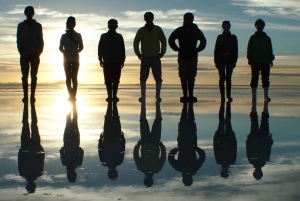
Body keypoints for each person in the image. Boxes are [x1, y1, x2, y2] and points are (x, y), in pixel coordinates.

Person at [168, 12, 206, 102]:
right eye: (187, 18)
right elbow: (171, 39)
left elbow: (203, 41)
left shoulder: (196, 30)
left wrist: (197, 49)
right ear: (184, 19)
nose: (188, 20)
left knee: (191, 76)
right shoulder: (180, 30)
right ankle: (185, 95)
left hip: (192, 56)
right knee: (183, 76)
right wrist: (176, 48)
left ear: (192, 20)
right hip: (182, 56)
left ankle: (191, 95)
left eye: (190, 18)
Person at [168, 101, 206, 186]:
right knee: (191, 121)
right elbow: (202, 157)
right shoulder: (194, 168)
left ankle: (185, 105)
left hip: (182, 141)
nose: (187, 178)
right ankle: (190, 105)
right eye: (188, 179)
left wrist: (176, 149)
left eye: (186, 179)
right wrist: (196, 148)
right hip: (192, 141)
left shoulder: (179, 168)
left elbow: (171, 158)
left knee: (183, 122)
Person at [133, 12, 166, 103]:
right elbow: (136, 42)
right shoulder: (141, 30)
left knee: (158, 77)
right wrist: (138, 53)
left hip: (156, 57)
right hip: (145, 57)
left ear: (153, 18)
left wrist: (162, 52)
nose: (148, 18)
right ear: (145, 19)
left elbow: (163, 40)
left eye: (150, 17)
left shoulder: (158, 29)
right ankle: (143, 95)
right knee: (143, 77)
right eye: (146, 17)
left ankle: (158, 96)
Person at [133, 102, 166, 187]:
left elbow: (136, 156)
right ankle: (157, 104)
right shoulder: (157, 169)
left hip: (146, 142)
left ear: (145, 179)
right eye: (149, 180)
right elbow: (163, 158)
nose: (148, 178)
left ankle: (143, 105)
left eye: (147, 180)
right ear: (151, 179)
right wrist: (162, 147)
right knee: (158, 121)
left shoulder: (142, 168)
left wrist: (138, 145)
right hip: (155, 142)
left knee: (143, 121)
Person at [17, 6, 44, 103]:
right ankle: (25, 96)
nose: (29, 13)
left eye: (31, 12)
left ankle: (32, 96)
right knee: (24, 76)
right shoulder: (21, 26)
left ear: (33, 13)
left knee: (34, 76)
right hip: (24, 54)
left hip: (35, 54)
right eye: (27, 12)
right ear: (25, 13)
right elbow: (18, 40)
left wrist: (39, 52)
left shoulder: (38, 26)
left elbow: (41, 40)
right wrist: (21, 51)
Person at [18, 102, 45, 193]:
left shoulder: (23, 173)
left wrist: (21, 150)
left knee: (26, 124)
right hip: (35, 146)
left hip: (26, 146)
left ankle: (27, 105)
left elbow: (20, 160)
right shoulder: (38, 173)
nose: (30, 183)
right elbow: (41, 160)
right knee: (33, 125)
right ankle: (31, 105)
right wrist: (40, 149)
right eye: (31, 185)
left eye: (29, 185)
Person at [247, 19, 274, 103]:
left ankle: (266, 96)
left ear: (263, 26)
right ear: (256, 26)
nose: (259, 26)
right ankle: (254, 96)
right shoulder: (253, 38)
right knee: (254, 79)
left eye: (261, 24)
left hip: (265, 61)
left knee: (265, 79)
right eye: (258, 24)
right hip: (255, 61)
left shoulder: (267, 38)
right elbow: (249, 49)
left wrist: (271, 58)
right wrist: (249, 58)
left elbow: (270, 49)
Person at [98, 19, 126, 102]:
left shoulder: (119, 36)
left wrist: (122, 60)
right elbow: (100, 48)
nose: (112, 26)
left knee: (116, 80)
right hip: (107, 61)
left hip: (117, 61)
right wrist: (100, 58)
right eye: (111, 24)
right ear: (108, 26)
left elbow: (122, 49)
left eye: (114, 24)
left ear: (116, 26)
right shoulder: (103, 36)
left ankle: (114, 96)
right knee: (108, 80)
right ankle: (110, 96)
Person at [98, 102, 125, 180]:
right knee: (112, 117)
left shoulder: (117, 161)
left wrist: (100, 139)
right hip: (113, 136)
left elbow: (100, 149)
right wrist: (122, 138)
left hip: (110, 136)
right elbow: (122, 148)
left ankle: (111, 103)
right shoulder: (116, 161)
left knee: (111, 117)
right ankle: (112, 103)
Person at [246, 101, 273, 180]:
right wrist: (269, 141)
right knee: (264, 120)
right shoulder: (264, 160)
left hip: (254, 137)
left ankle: (255, 103)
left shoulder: (251, 160)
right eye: (258, 173)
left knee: (254, 120)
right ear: (261, 172)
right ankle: (265, 104)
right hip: (263, 138)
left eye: (256, 173)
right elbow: (268, 150)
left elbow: (248, 149)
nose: (257, 171)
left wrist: (248, 140)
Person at [59, 16, 84, 101]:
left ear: (74, 24)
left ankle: (74, 95)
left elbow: (81, 47)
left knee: (74, 78)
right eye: (68, 23)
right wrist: (64, 52)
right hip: (66, 60)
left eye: (71, 23)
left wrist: (76, 51)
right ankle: (70, 95)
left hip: (75, 60)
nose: (69, 25)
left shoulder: (78, 35)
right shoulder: (63, 36)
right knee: (68, 78)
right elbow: (60, 47)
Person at [214, 21, 238, 102]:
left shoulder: (233, 37)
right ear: (223, 27)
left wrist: (235, 60)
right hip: (220, 60)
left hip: (230, 60)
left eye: (228, 26)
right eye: (225, 26)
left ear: (230, 27)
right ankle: (222, 96)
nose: (226, 27)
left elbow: (235, 50)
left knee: (228, 78)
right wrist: (216, 61)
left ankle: (228, 95)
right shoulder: (219, 37)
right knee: (222, 78)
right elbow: (216, 50)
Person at [60, 103, 84, 183]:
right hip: (68, 141)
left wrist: (78, 148)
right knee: (70, 122)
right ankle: (72, 106)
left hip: (73, 141)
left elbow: (81, 152)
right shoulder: (65, 163)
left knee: (73, 121)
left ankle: (72, 106)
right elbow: (61, 151)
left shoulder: (78, 163)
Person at [213, 100, 237, 178]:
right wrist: (233, 137)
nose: (225, 171)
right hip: (229, 138)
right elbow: (234, 148)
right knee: (227, 121)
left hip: (220, 138)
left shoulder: (219, 160)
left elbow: (215, 148)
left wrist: (215, 137)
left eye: (224, 172)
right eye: (226, 172)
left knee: (221, 121)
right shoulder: (232, 161)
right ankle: (228, 105)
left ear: (221, 171)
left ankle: (223, 104)